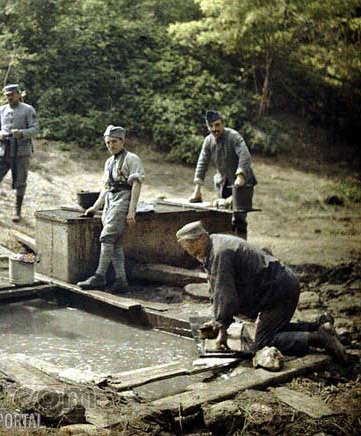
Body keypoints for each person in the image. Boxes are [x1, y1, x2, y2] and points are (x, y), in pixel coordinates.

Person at [176, 221, 348, 362]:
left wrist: (221, 328)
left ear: (201, 238)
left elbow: (225, 296)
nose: (191, 253)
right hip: (278, 285)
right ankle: (319, 327)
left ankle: (318, 337)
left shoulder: (220, 253)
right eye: (187, 250)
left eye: (191, 248)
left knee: (263, 343)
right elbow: (216, 288)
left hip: (278, 291)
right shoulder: (214, 245)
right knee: (273, 329)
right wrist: (216, 320)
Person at [77, 125, 144, 293]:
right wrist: (94, 208)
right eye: (108, 143)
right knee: (115, 244)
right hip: (110, 201)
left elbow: (136, 185)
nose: (111, 146)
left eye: (114, 142)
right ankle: (121, 280)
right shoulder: (109, 162)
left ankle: (99, 276)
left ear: (122, 141)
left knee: (106, 238)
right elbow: (106, 188)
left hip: (123, 200)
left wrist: (131, 211)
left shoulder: (132, 159)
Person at [189, 110, 257, 238]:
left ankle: (241, 246)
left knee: (239, 217)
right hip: (223, 182)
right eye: (211, 126)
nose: (215, 129)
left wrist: (241, 175)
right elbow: (202, 162)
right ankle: (228, 246)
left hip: (241, 182)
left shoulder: (233, 136)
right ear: (207, 127)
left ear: (223, 124)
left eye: (217, 125)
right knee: (222, 215)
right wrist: (197, 189)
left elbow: (245, 155)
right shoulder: (208, 141)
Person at [0, 84, 38, 222]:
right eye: (7, 95)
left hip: (21, 151)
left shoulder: (28, 110)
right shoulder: (1, 110)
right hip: (3, 149)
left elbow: (35, 129)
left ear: (19, 94)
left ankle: (17, 212)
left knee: (20, 180)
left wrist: (22, 133)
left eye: (12, 94)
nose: (10, 97)